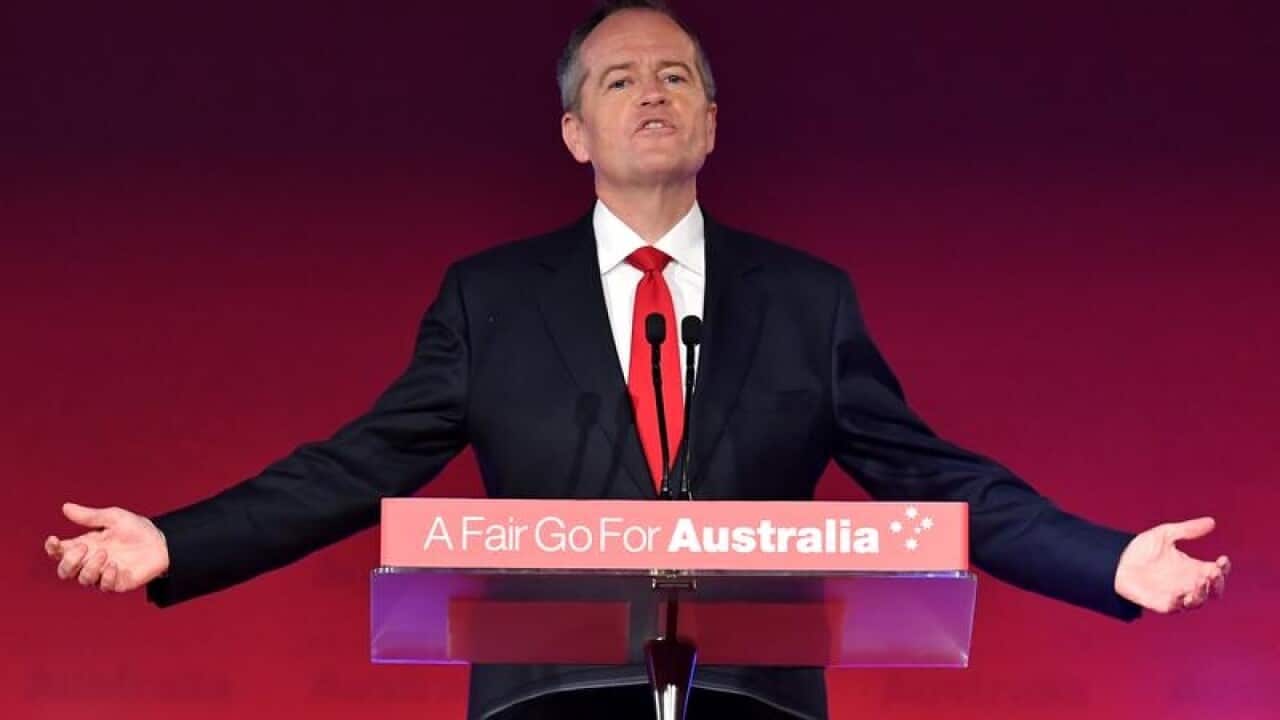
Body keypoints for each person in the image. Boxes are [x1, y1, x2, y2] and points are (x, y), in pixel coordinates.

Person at [44, 2, 1231, 719]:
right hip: (548, 700)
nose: (650, 94)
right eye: (618, 79)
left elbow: (933, 480)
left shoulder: (805, 301)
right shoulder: (491, 299)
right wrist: (174, 539)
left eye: (676, 77)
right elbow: (358, 465)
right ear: (575, 135)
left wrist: (1106, 561)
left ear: (711, 122)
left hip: (752, 699)